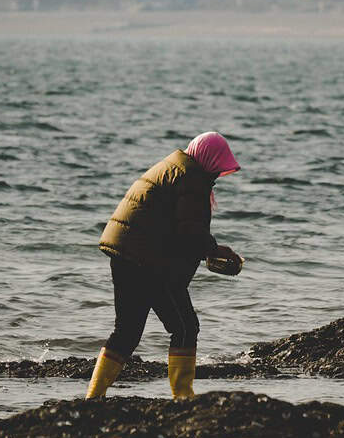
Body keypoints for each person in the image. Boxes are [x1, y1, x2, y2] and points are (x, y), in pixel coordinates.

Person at [86, 131, 243, 400]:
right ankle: (183, 398)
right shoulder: (192, 178)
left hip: (124, 253)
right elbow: (190, 231)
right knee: (184, 328)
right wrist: (215, 250)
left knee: (127, 332)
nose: (217, 175)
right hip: (148, 261)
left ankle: (93, 398)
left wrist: (205, 249)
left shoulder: (171, 167)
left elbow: (174, 225)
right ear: (208, 160)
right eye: (217, 168)